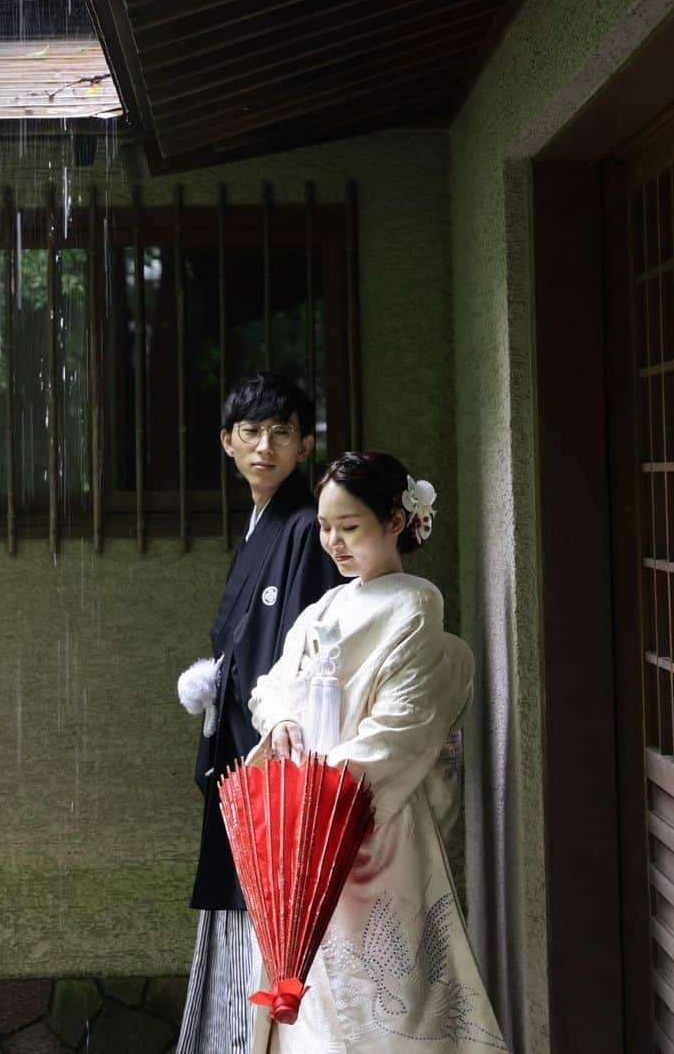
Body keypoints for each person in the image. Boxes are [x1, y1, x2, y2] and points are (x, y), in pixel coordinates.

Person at [247, 451, 505, 1053]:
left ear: (395, 520)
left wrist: (319, 793)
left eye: (349, 526)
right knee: (309, 986)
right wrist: (283, 718)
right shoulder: (327, 607)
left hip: (365, 819)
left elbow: (401, 730)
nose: (333, 542)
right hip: (313, 815)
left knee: (385, 998)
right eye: (324, 526)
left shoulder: (415, 603)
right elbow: (273, 684)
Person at [176, 373, 343, 1054]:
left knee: (277, 918)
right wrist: (219, 677)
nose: (265, 446)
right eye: (251, 432)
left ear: (306, 444)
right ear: (227, 442)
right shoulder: (265, 525)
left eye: (282, 432)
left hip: (277, 754)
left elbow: (305, 652)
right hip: (245, 748)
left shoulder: (305, 527)